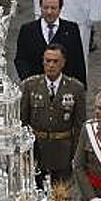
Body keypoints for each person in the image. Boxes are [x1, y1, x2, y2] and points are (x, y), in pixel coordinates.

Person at [18, 45, 88, 185]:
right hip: (36, 150)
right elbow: (22, 120)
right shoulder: (30, 86)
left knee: (60, 195)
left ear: (63, 63)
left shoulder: (75, 88)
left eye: (55, 61)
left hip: (62, 152)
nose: (51, 65)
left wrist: (77, 154)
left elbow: (80, 125)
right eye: (47, 61)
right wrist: (23, 150)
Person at [14, 0, 87, 86]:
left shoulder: (71, 29)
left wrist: (81, 87)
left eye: (53, 8)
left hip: (64, 88)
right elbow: (21, 59)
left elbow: (78, 61)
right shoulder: (27, 30)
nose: (49, 12)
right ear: (40, 8)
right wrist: (30, 81)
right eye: (46, 8)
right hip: (35, 88)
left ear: (60, 9)